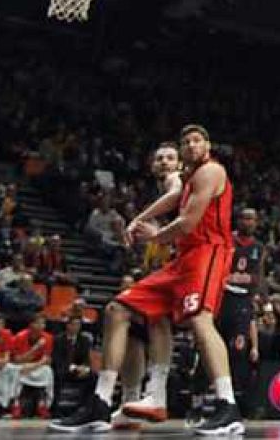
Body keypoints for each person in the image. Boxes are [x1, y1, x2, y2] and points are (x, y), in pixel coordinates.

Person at [51, 124, 242, 435]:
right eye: (186, 142)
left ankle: (227, 405)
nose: (191, 145)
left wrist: (156, 236)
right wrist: (140, 218)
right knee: (118, 309)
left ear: (207, 146)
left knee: (199, 320)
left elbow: (188, 221)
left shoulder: (211, 171)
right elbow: (174, 197)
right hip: (183, 259)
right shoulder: (189, 179)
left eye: (197, 140)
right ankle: (103, 401)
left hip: (208, 253)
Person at [116, 143, 183, 427]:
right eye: (159, 159)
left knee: (159, 325)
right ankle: (130, 402)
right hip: (156, 273)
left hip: (184, 272)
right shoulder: (151, 195)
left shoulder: (177, 185)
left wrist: (144, 223)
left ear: (179, 165)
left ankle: (158, 393)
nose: (165, 163)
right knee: (132, 334)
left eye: (170, 158)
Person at [221, 207, 264, 416]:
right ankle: (203, 397)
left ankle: (233, 400)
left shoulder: (258, 247)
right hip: (223, 298)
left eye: (252, 219)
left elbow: (258, 275)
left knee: (239, 349)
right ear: (237, 221)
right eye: (245, 218)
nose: (248, 222)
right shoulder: (226, 240)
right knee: (214, 345)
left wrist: (256, 295)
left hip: (243, 301)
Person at [8, 312, 54, 419]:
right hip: (21, 366)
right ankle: (16, 405)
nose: (41, 326)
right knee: (15, 370)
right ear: (31, 325)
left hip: (36, 366)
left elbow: (46, 359)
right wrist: (35, 348)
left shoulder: (48, 337)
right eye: (38, 323)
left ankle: (42, 405)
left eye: (43, 324)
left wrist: (34, 366)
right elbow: (17, 360)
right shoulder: (20, 337)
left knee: (47, 370)